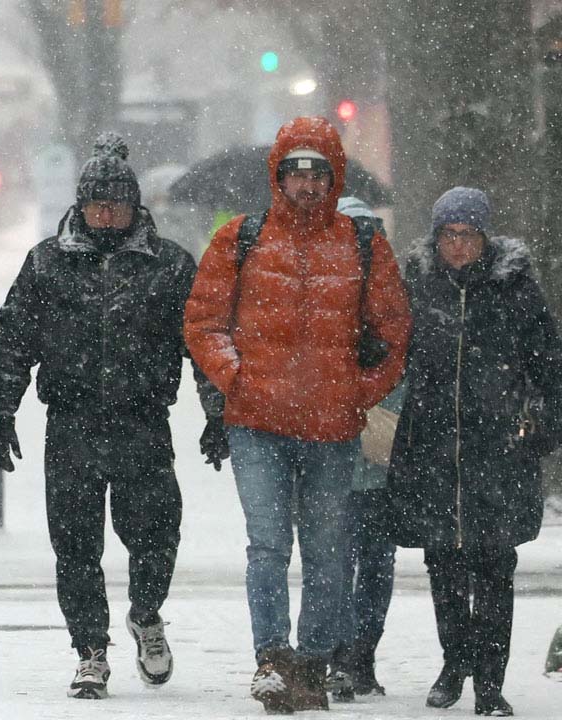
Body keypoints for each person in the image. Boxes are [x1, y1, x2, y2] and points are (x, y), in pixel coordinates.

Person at [0, 133, 227, 700]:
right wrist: (0, 408)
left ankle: (146, 614)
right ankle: (90, 650)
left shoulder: (169, 266)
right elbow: (14, 339)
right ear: (81, 205)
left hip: (143, 421)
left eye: (118, 203)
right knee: (74, 546)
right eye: (98, 203)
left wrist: (218, 412)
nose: (108, 213)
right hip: (71, 423)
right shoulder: (47, 264)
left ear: (136, 206)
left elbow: (204, 343)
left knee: (156, 534)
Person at [184, 117, 411, 713]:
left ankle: (312, 662)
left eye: (318, 173)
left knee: (327, 548)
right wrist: (239, 379)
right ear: (277, 176)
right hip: (258, 423)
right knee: (267, 546)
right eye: (296, 172)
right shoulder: (240, 238)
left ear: (332, 177)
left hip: (332, 428)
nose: (306, 184)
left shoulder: (363, 243)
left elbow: (392, 332)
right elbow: (204, 322)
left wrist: (358, 390)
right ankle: (273, 659)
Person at [385, 187, 562, 717]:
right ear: (436, 237)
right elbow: (389, 352)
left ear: (485, 238)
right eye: (448, 235)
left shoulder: (517, 290)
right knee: (443, 563)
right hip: (433, 445)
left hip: (499, 449)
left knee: (493, 565)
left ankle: (490, 680)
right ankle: (453, 661)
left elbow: (548, 363)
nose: (458, 246)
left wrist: (546, 426)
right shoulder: (416, 287)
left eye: (468, 235)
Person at [326, 197, 401, 701]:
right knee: (340, 562)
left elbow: (404, 362)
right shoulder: (320, 292)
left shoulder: (391, 293)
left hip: (375, 451)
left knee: (370, 562)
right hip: (333, 453)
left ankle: (359, 656)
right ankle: (343, 657)